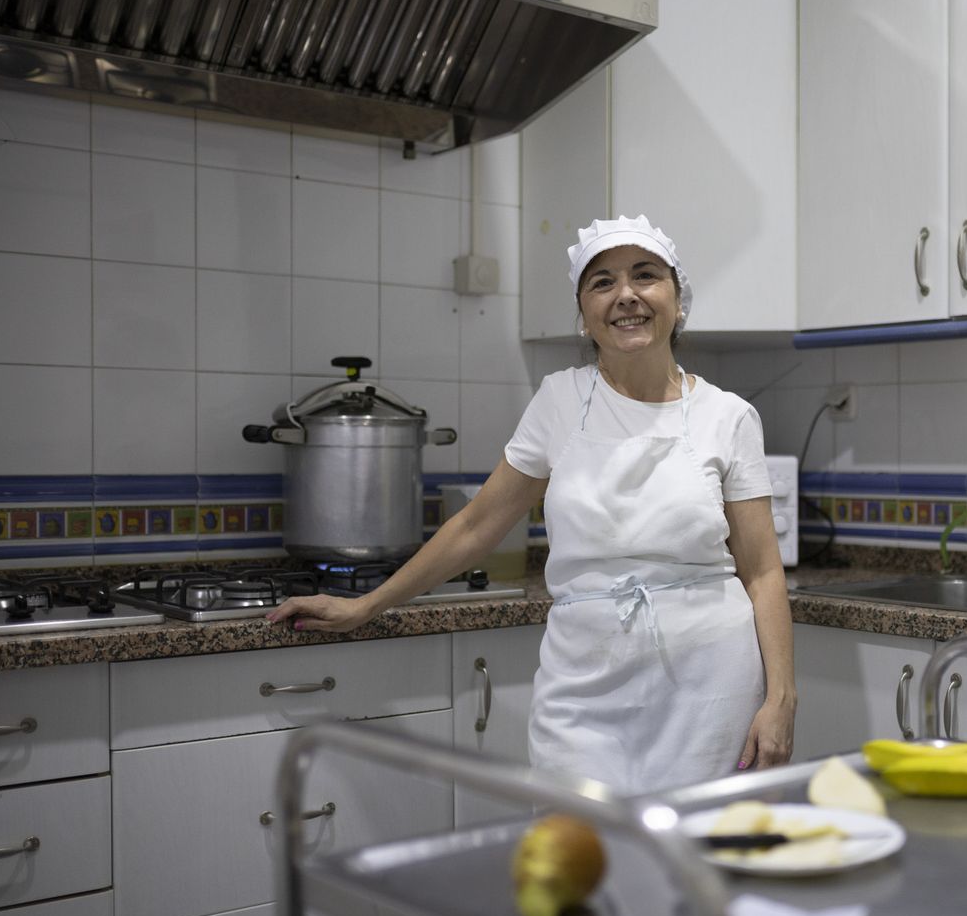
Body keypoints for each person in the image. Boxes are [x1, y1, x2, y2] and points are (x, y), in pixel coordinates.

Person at [267, 215, 795, 794]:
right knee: (577, 862)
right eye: (603, 282)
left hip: (710, 687)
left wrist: (780, 698)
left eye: (645, 276)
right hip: (585, 687)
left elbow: (763, 571)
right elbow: (475, 526)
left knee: (701, 865)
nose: (626, 296)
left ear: (677, 295)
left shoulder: (730, 416)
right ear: (584, 311)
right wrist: (367, 606)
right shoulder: (559, 401)